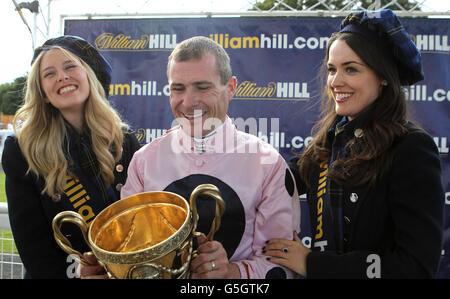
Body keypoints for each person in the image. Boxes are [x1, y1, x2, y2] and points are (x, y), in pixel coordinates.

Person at [81, 36, 300, 279]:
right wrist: (108, 270)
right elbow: (133, 259)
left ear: (230, 88)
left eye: (202, 87)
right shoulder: (144, 162)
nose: (188, 102)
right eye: (178, 88)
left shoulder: (267, 163)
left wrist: (232, 273)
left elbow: (284, 268)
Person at [264, 9, 445, 279]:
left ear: (383, 76)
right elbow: (274, 179)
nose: (336, 81)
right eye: (331, 69)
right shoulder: (328, 143)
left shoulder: (411, 148)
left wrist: (313, 264)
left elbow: (416, 267)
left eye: (351, 69)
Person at [2, 35, 140, 279]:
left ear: (89, 76)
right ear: (43, 93)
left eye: (70, 67)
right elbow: (33, 247)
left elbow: (141, 222)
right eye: (49, 74)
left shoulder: (124, 140)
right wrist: (79, 274)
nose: (62, 77)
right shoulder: (21, 150)